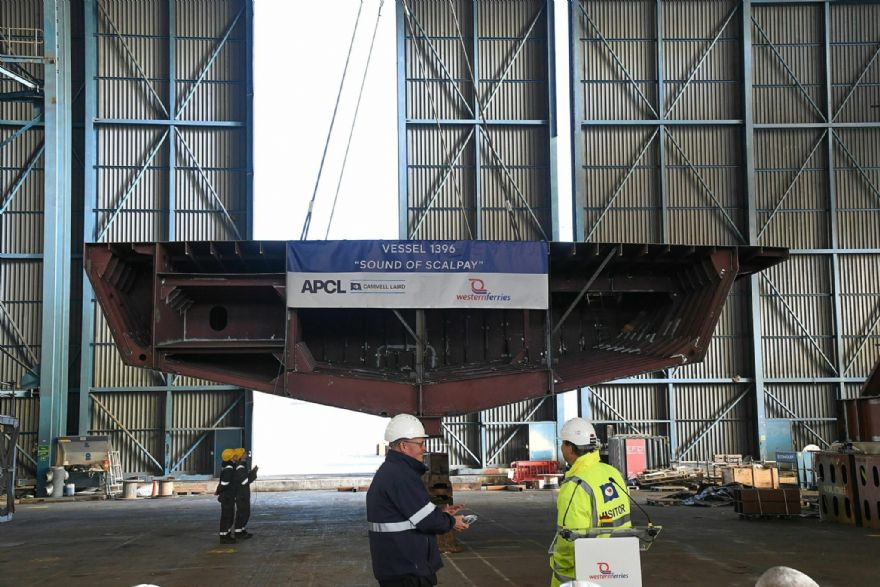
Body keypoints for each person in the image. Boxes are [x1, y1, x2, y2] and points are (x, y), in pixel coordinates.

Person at [367, 414, 470, 587]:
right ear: (404, 446)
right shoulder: (401, 475)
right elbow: (427, 522)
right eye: (420, 444)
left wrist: (441, 514)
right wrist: (451, 522)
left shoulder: (392, 471)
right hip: (407, 568)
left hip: (397, 565)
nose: (424, 449)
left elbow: (414, 514)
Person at [549, 418, 632, 587]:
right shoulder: (613, 473)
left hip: (586, 574)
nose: (562, 447)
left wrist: (561, 573)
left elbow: (569, 539)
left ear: (570, 447)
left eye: (563, 443)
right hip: (620, 566)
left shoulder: (575, 485)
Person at [232, 448, 258, 539]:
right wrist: (253, 473)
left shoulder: (242, 466)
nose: (246, 454)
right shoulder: (240, 467)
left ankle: (242, 530)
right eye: (244, 453)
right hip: (241, 494)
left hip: (243, 494)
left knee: (246, 512)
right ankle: (238, 532)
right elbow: (244, 481)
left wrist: (251, 472)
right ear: (240, 455)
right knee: (242, 513)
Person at [215, 448, 238, 543]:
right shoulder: (229, 469)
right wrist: (218, 491)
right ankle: (224, 537)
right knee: (226, 516)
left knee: (229, 515)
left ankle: (227, 534)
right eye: (234, 455)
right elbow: (224, 483)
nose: (237, 456)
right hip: (227, 496)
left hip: (229, 496)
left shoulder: (229, 467)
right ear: (231, 457)